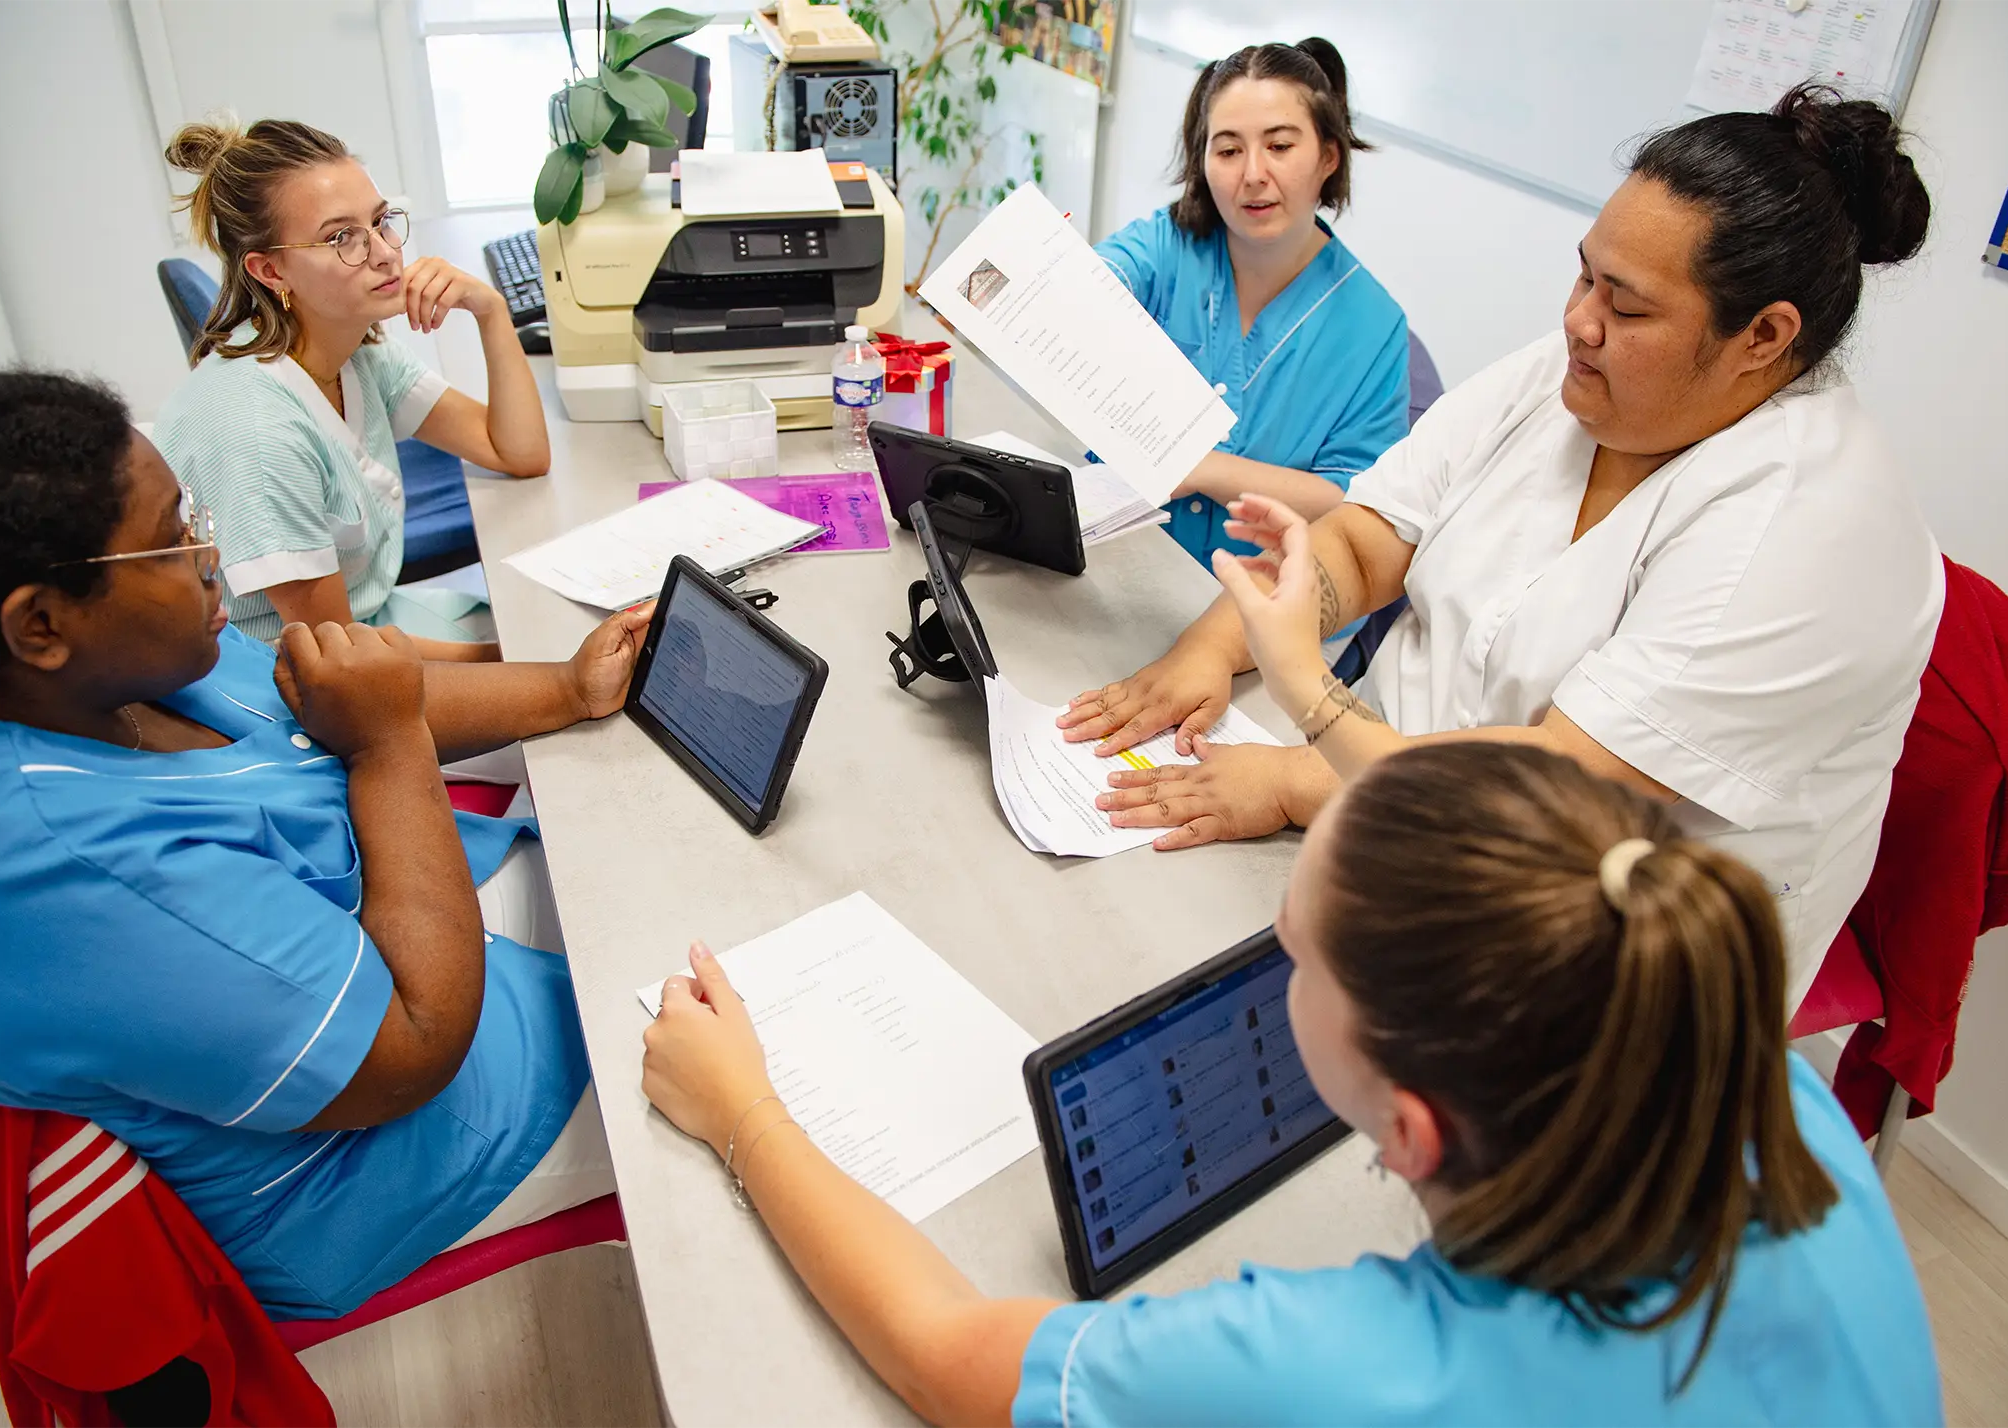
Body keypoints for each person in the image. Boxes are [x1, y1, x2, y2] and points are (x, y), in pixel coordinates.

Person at [641, 742, 1941, 1426]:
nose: (1274, 959)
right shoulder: (1764, 1092)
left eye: (1294, 958)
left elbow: (944, 1361)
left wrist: (743, 1109)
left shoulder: (1352, 1367)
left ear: (1411, 1132)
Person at [1061, 85, 1942, 1009]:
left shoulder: (1808, 530)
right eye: (1584, 277)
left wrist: (1300, 748)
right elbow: (1364, 544)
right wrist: (1210, 648)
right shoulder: (1573, 373)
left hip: (1592, 957)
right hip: (1370, 796)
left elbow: (1550, 793)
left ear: (1762, 336)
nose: (1579, 321)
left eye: (1627, 306)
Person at [0, 371, 645, 1319]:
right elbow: (414, 1047)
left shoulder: (27, 676)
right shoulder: (76, 881)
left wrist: (565, 689)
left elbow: (337, 692)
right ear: (40, 624)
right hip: (374, 1145)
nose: (211, 553)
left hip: (385, 929)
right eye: (174, 537)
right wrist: (389, 745)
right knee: (741, 1018)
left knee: (647, 825)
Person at [152, 117, 547, 655]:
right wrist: (520, 661)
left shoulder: (350, 345)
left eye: (381, 221)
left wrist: (491, 311)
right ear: (270, 271)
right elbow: (344, 663)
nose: (384, 252)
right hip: (286, 675)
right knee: (544, 657)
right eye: (342, 238)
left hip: (365, 622)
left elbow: (518, 452)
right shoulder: (258, 431)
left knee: (537, 631)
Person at [1094, 39, 1409, 571]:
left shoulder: (1373, 328)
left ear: (1328, 156)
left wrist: (1202, 468)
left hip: (1254, 596)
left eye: (1280, 146)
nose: (1253, 174)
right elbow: (1093, 283)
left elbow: (1357, 506)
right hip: (1112, 561)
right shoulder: (1166, 245)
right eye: (1228, 151)